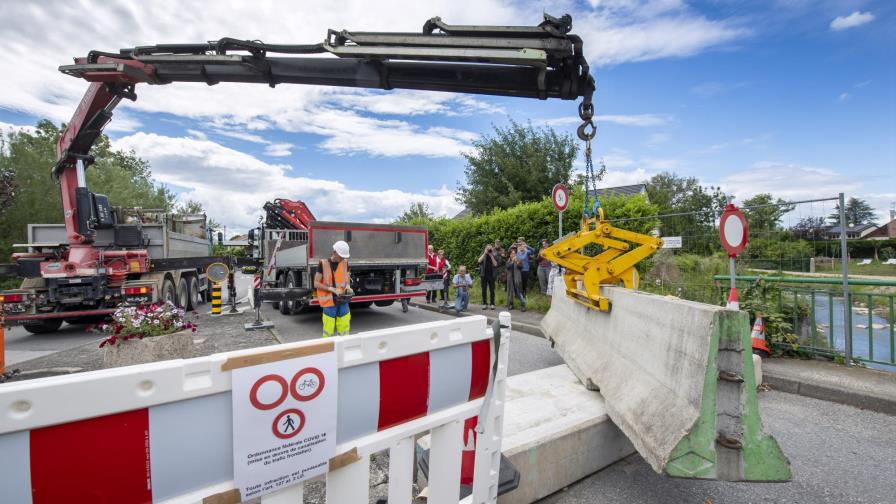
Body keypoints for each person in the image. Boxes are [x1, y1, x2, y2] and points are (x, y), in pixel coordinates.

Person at [314, 240, 352, 337]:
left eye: (344, 256)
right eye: (341, 256)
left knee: (344, 327)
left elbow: (346, 278)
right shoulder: (323, 263)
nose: (343, 258)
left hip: (343, 300)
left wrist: (348, 286)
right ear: (334, 252)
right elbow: (316, 283)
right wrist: (331, 289)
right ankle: (328, 345)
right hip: (329, 301)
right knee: (328, 330)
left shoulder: (345, 263)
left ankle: (344, 344)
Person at [505, 245, 526, 311]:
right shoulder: (508, 261)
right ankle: (511, 304)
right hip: (510, 280)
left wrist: (516, 262)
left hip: (517, 279)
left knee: (519, 292)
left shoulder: (519, 260)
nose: (513, 255)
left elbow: (521, 267)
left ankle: (523, 305)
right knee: (510, 292)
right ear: (510, 255)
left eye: (514, 254)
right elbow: (508, 267)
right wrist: (512, 262)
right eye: (512, 254)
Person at [477, 244, 498, 310]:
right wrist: (484, 253)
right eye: (487, 248)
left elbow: (495, 264)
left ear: (492, 249)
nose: (489, 250)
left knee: (492, 290)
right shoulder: (483, 253)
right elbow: (479, 261)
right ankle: (484, 303)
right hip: (484, 275)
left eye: (490, 248)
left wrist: (491, 256)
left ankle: (492, 303)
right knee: (484, 290)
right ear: (485, 249)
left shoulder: (494, 254)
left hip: (491, 275)